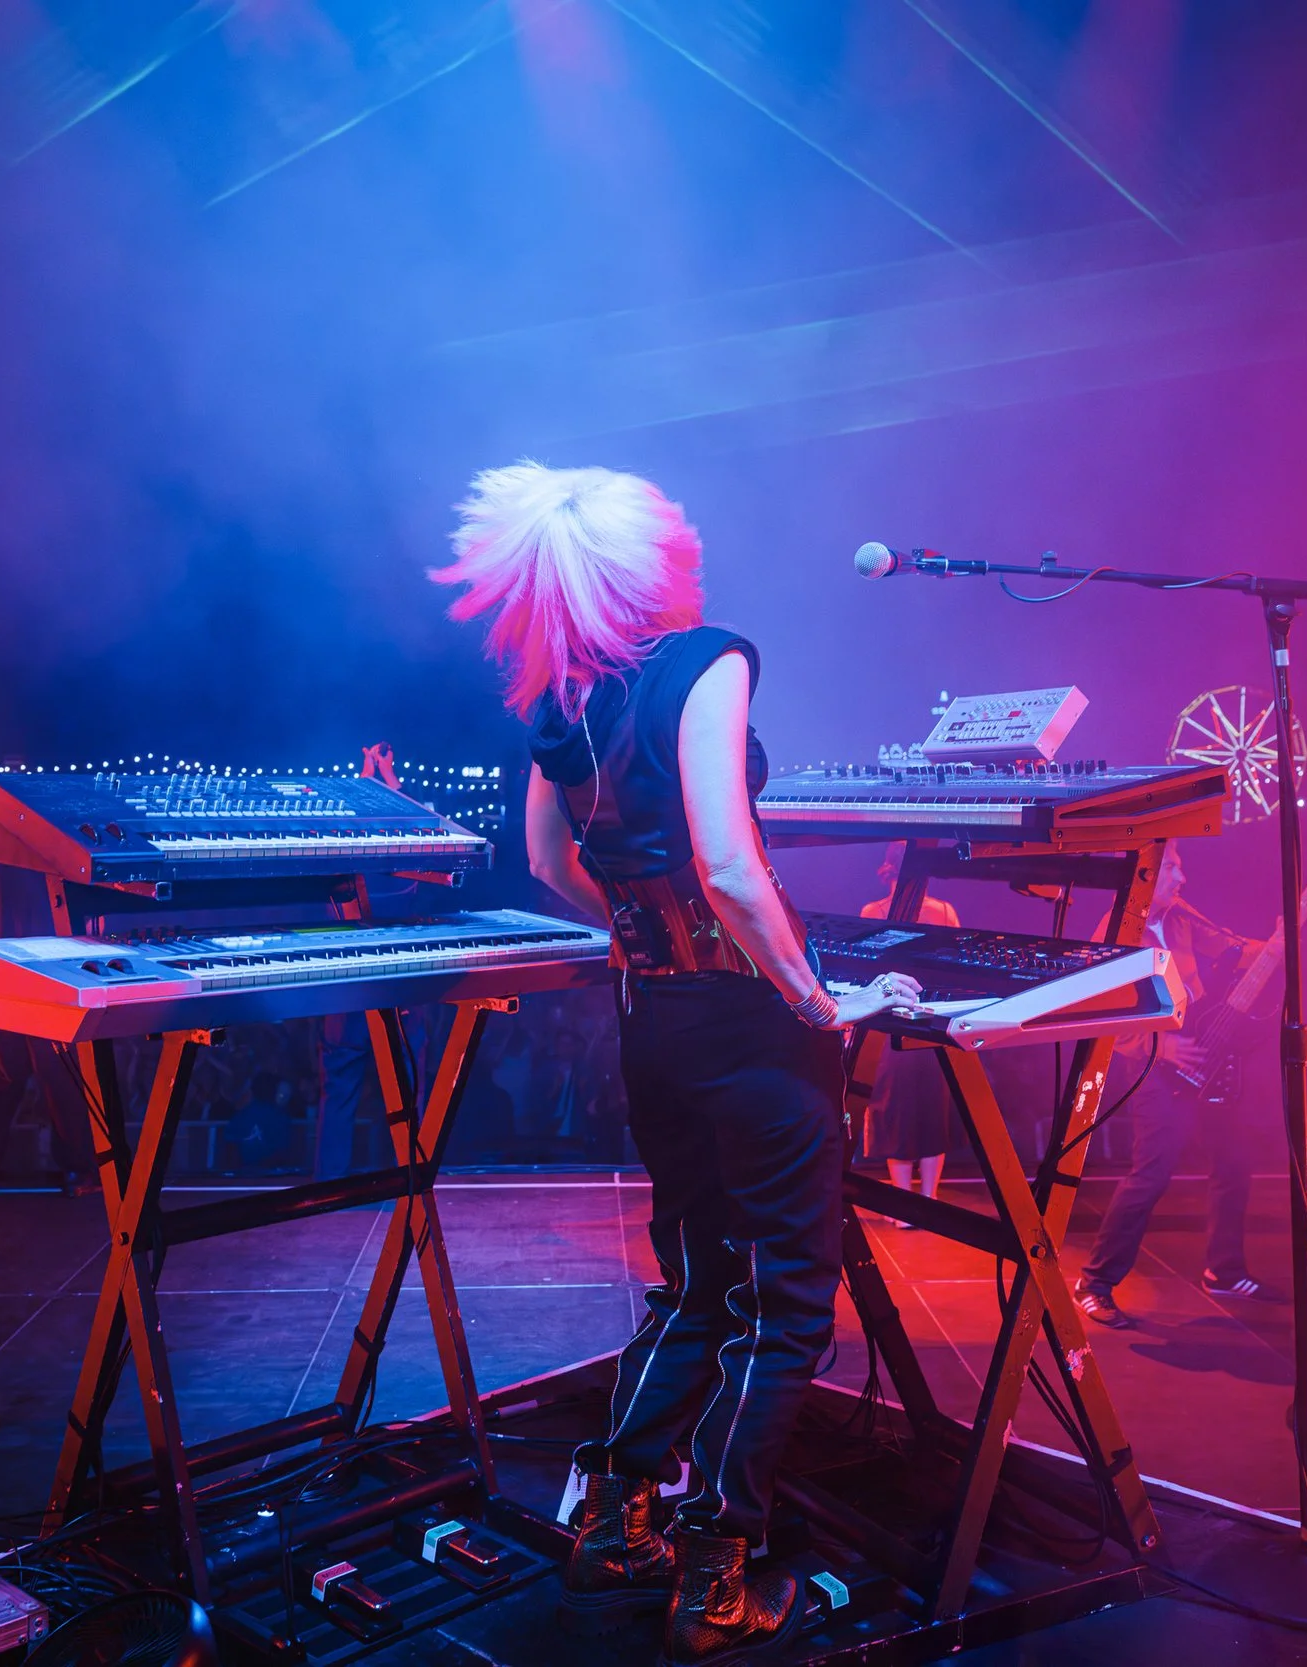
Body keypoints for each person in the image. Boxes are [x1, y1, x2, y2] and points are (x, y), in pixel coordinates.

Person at [432, 462, 918, 1664]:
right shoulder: (708, 657)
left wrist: (647, 931)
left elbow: (547, 862)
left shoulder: (561, 693)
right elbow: (734, 864)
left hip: (652, 1016)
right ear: (655, 555)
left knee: (696, 1280)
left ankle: (614, 1519)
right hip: (747, 1024)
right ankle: (719, 1573)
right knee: (787, 1302)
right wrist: (819, 1001)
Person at [1071, 843, 1283, 1329]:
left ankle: (1224, 1270)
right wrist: (1160, 1049)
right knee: (1151, 1176)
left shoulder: (1180, 915)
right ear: (1143, 874)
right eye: (1171, 869)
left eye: (1180, 868)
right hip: (1150, 1064)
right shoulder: (1116, 931)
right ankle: (1095, 1282)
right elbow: (1099, 1012)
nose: (1181, 878)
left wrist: (1274, 943)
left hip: (1204, 1054)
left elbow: (1231, 946)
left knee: (1234, 1162)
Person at [0, 861, 97, 1197]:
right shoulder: (49, 861)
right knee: (58, 1077)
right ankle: (75, 1171)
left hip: (4, 977)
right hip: (47, 978)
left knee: (2, 1075)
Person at [858, 852, 957, 1215]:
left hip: (929, 1020)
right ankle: (907, 1204)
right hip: (892, 1023)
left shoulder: (944, 911)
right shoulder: (874, 911)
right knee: (897, 1111)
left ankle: (926, 1202)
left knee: (931, 1111)